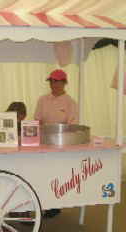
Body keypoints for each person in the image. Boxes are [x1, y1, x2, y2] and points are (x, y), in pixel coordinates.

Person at [34, 69, 78, 218]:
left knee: (56, 175)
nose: (53, 84)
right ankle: (38, 203)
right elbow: (37, 121)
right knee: (41, 174)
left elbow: (72, 125)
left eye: (56, 81)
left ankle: (54, 205)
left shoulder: (70, 102)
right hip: (43, 143)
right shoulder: (42, 100)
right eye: (51, 81)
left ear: (64, 83)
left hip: (60, 144)